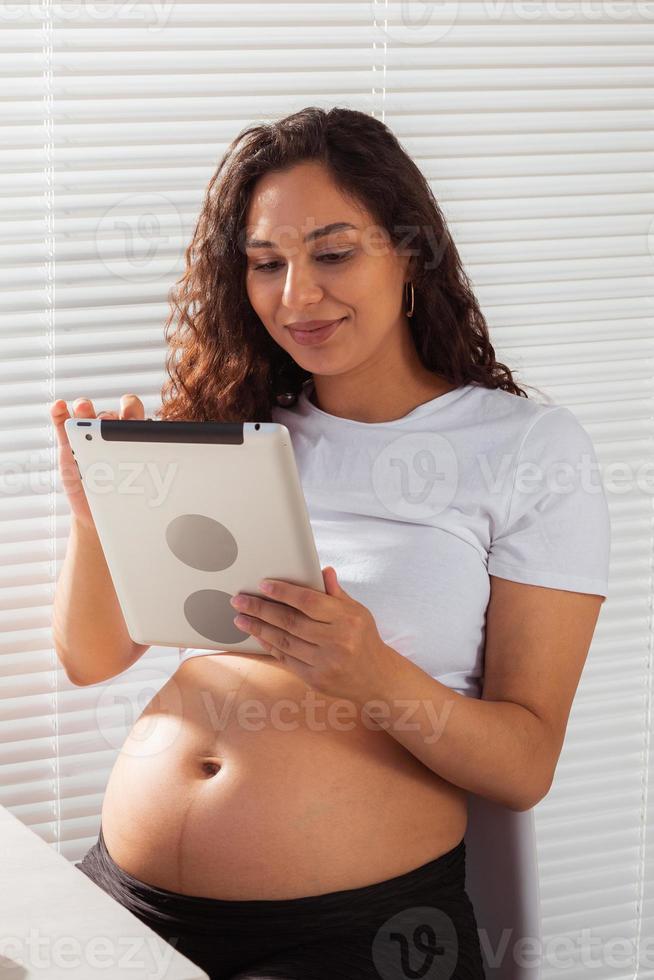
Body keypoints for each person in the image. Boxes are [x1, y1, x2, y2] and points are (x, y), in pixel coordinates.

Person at [56, 106, 611, 980]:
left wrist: (371, 672)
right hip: (126, 906)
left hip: (350, 936)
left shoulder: (527, 449)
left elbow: (525, 764)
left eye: (334, 253)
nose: (295, 296)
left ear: (409, 253)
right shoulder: (234, 426)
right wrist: (97, 518)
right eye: (266, 264)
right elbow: (91, 657)